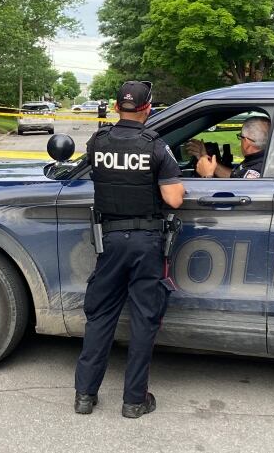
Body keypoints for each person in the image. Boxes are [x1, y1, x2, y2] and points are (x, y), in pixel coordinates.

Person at [74, 80, 185, 418]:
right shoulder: (155, 147)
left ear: (115, 105)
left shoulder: (98, 142)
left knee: (100, 316)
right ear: (148, 108)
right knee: (143, 319)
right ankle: (134, 401)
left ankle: (84, 397)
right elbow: (174, 199)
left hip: (109, 241)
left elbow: (84, 173)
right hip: (145, 244)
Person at [187, 117, 270, 178]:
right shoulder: (261, 160)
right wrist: (206, 158)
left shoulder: (256, 171)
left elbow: (237, 196)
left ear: (247, 142)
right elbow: (235, 176)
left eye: (240, 136)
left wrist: (207, 176)